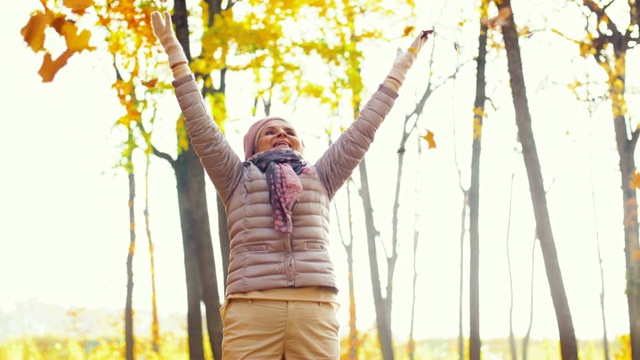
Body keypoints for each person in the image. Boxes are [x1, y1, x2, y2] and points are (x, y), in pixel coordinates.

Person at [151, 10, 429, 360]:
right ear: (254, 146)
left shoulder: (320, 176)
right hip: (252, 309)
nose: (282, 134)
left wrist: (399, 71)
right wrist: (175, 55)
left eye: (290, 132)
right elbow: (200, 123)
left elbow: (365, 126)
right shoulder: (236, 177)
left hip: (315, 309)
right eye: (271, 131)